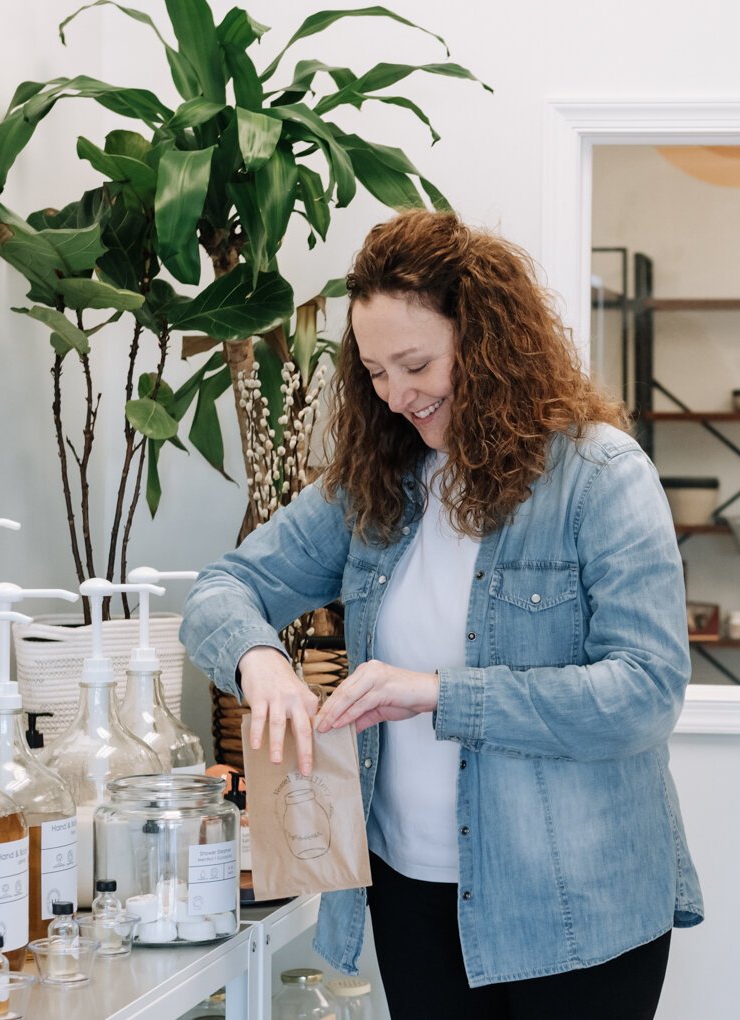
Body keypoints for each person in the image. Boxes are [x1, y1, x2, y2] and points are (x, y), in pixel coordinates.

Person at [182, 210, 703, 1018]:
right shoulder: (373, 485)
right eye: (376, 372)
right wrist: (261, 662)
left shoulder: (599, 476)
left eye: (418, 364)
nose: (397, 396)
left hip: (572, 908)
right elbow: (222, 588)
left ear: (487, 342)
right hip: (410, 898)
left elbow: (645, 692)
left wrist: (438, 693)